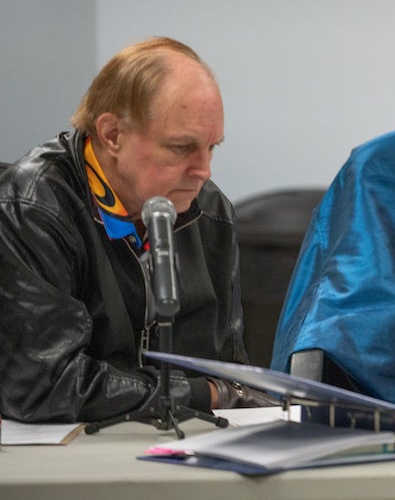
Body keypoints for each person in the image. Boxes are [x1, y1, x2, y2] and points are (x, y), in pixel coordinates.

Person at [0, 37, 268, 423]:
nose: (203, 170)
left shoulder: (211, 212)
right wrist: (198, 393)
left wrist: (225, 393)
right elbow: (42, 385)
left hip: (182, 449)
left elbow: (227, 373)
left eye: (212, 147)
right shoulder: (32, 205)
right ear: (112, 135)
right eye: (181, 147)